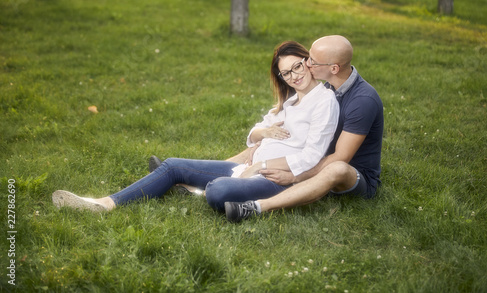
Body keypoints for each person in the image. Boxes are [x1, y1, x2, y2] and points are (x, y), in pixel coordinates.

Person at [52, 41, 339, 213]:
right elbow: (252, 137)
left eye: (297, 67)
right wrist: (263, 134)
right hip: (249, 169)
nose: (293, 76)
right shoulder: (289, 103)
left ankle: (200, 189)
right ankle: (105, 204)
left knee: (218, 191)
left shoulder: (323, 101)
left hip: (275, 178)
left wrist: (262, 165)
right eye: (285, 72)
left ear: (308, 62)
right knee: (173, 165)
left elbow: (312, 156)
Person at [223, 35, 384, 222]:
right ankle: (214, 175)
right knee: (257, 147)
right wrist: (265, 140)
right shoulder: (329, 86)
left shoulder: (362, 101)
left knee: (337, 169)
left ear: (333, 68)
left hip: (353, 174)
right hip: (319, 157)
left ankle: (257, 207)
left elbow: (341, 157)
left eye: (313, 61)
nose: (307, 64)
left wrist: (294, 176)